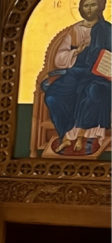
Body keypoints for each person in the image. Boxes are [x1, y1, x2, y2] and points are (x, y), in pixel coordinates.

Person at [42, 0, 110, 154]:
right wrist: (76, 51)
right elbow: (59, 59)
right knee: (52, 96)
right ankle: (65, 135)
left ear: (100, 7)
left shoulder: (107, 30)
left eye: (93, 5)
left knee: (93, 91)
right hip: (76, 73)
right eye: (86, 5)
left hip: (100, 75)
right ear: (80, 8)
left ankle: (85, 136)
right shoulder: (75, 30)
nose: (89, 9)